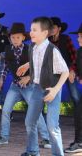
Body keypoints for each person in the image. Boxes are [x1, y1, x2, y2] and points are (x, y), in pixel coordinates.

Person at [0, 23, 51, 149]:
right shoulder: (8, 50)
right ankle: (4, 137)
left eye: (18, 37)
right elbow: (6, 66)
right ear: (10, 38)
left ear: (23, 37)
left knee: (36, 111)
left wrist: (29, 77)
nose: (15, 40)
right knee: (6, 110)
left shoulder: (31, 49)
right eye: (13, 37)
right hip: (15, 86)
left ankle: (46, 139)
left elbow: (39, 67)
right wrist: (2, 78)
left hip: (30, 86)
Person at [17, 17, 69, 156]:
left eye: (34, 30)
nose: (31, 32)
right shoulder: (33, 47)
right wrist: (27, 65)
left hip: (52, 90)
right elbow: (37, 59)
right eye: (31, 29)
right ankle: (33, 151)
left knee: (52, 127)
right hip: (36, 88)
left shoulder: (53, 50)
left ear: (45, 33)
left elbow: (65, 71)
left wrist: (55, 90)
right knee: (30, 122)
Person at [49, 17, 80, 105]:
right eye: (50, 27)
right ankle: (44, 117)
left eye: (53, 27)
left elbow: (74, 56)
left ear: (59, 28)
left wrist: (72, 70)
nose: (51, 29)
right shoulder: (47, 41)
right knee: (48, 94)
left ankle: (79, 115)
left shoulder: (66, 39)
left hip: (67, 70)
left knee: (75, 95)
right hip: (53, 73)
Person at [65, 23, 82, 153]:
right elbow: (75, 64)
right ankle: (79, 142)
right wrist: (72, 71)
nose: (78, 39)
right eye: (78, 36)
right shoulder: (80, 51)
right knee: (79, 112)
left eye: (81, 36)